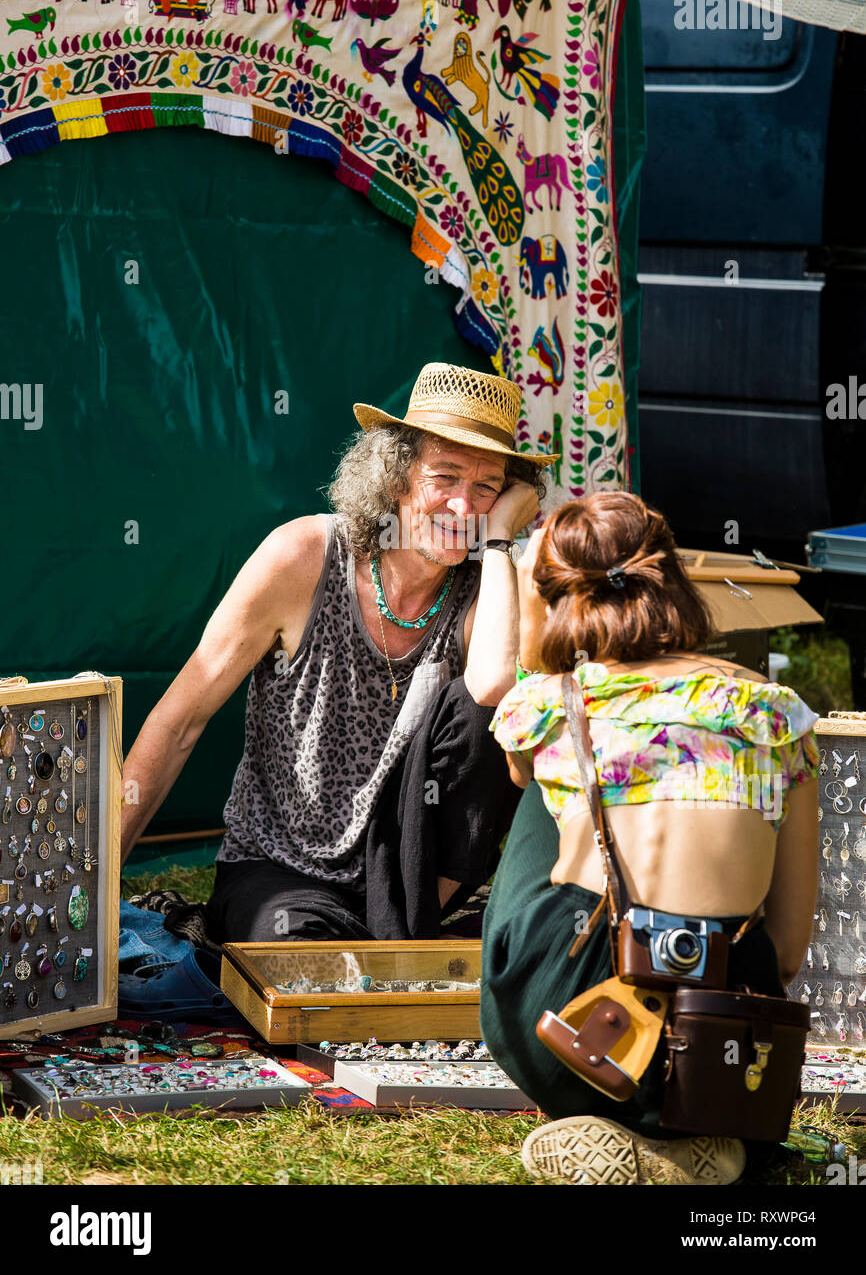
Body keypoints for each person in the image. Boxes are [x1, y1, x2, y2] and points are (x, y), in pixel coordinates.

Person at [120, 362, 556, 947]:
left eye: (487, 487)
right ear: (396, 476)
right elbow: (178, 722)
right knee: (302, 964)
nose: (463, 508)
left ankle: (405, 933)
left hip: (411, 879)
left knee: (487, 718)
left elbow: (497, 692)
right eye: (444, 477)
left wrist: (502, 540)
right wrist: (93, 891)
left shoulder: (491, 583)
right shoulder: (302, 556)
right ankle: (389, 947)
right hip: (282, 871)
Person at [481, 491, 819, 1186]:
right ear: (676, 581)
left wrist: (517, 570)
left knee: (541, 795)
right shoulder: (778, 712)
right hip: (722, 1035)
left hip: (567, 1030)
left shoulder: (544, 704)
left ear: (556, 600)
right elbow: (786, 948)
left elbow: (508, 701)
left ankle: (590, 1115)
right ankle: (691, 1134)